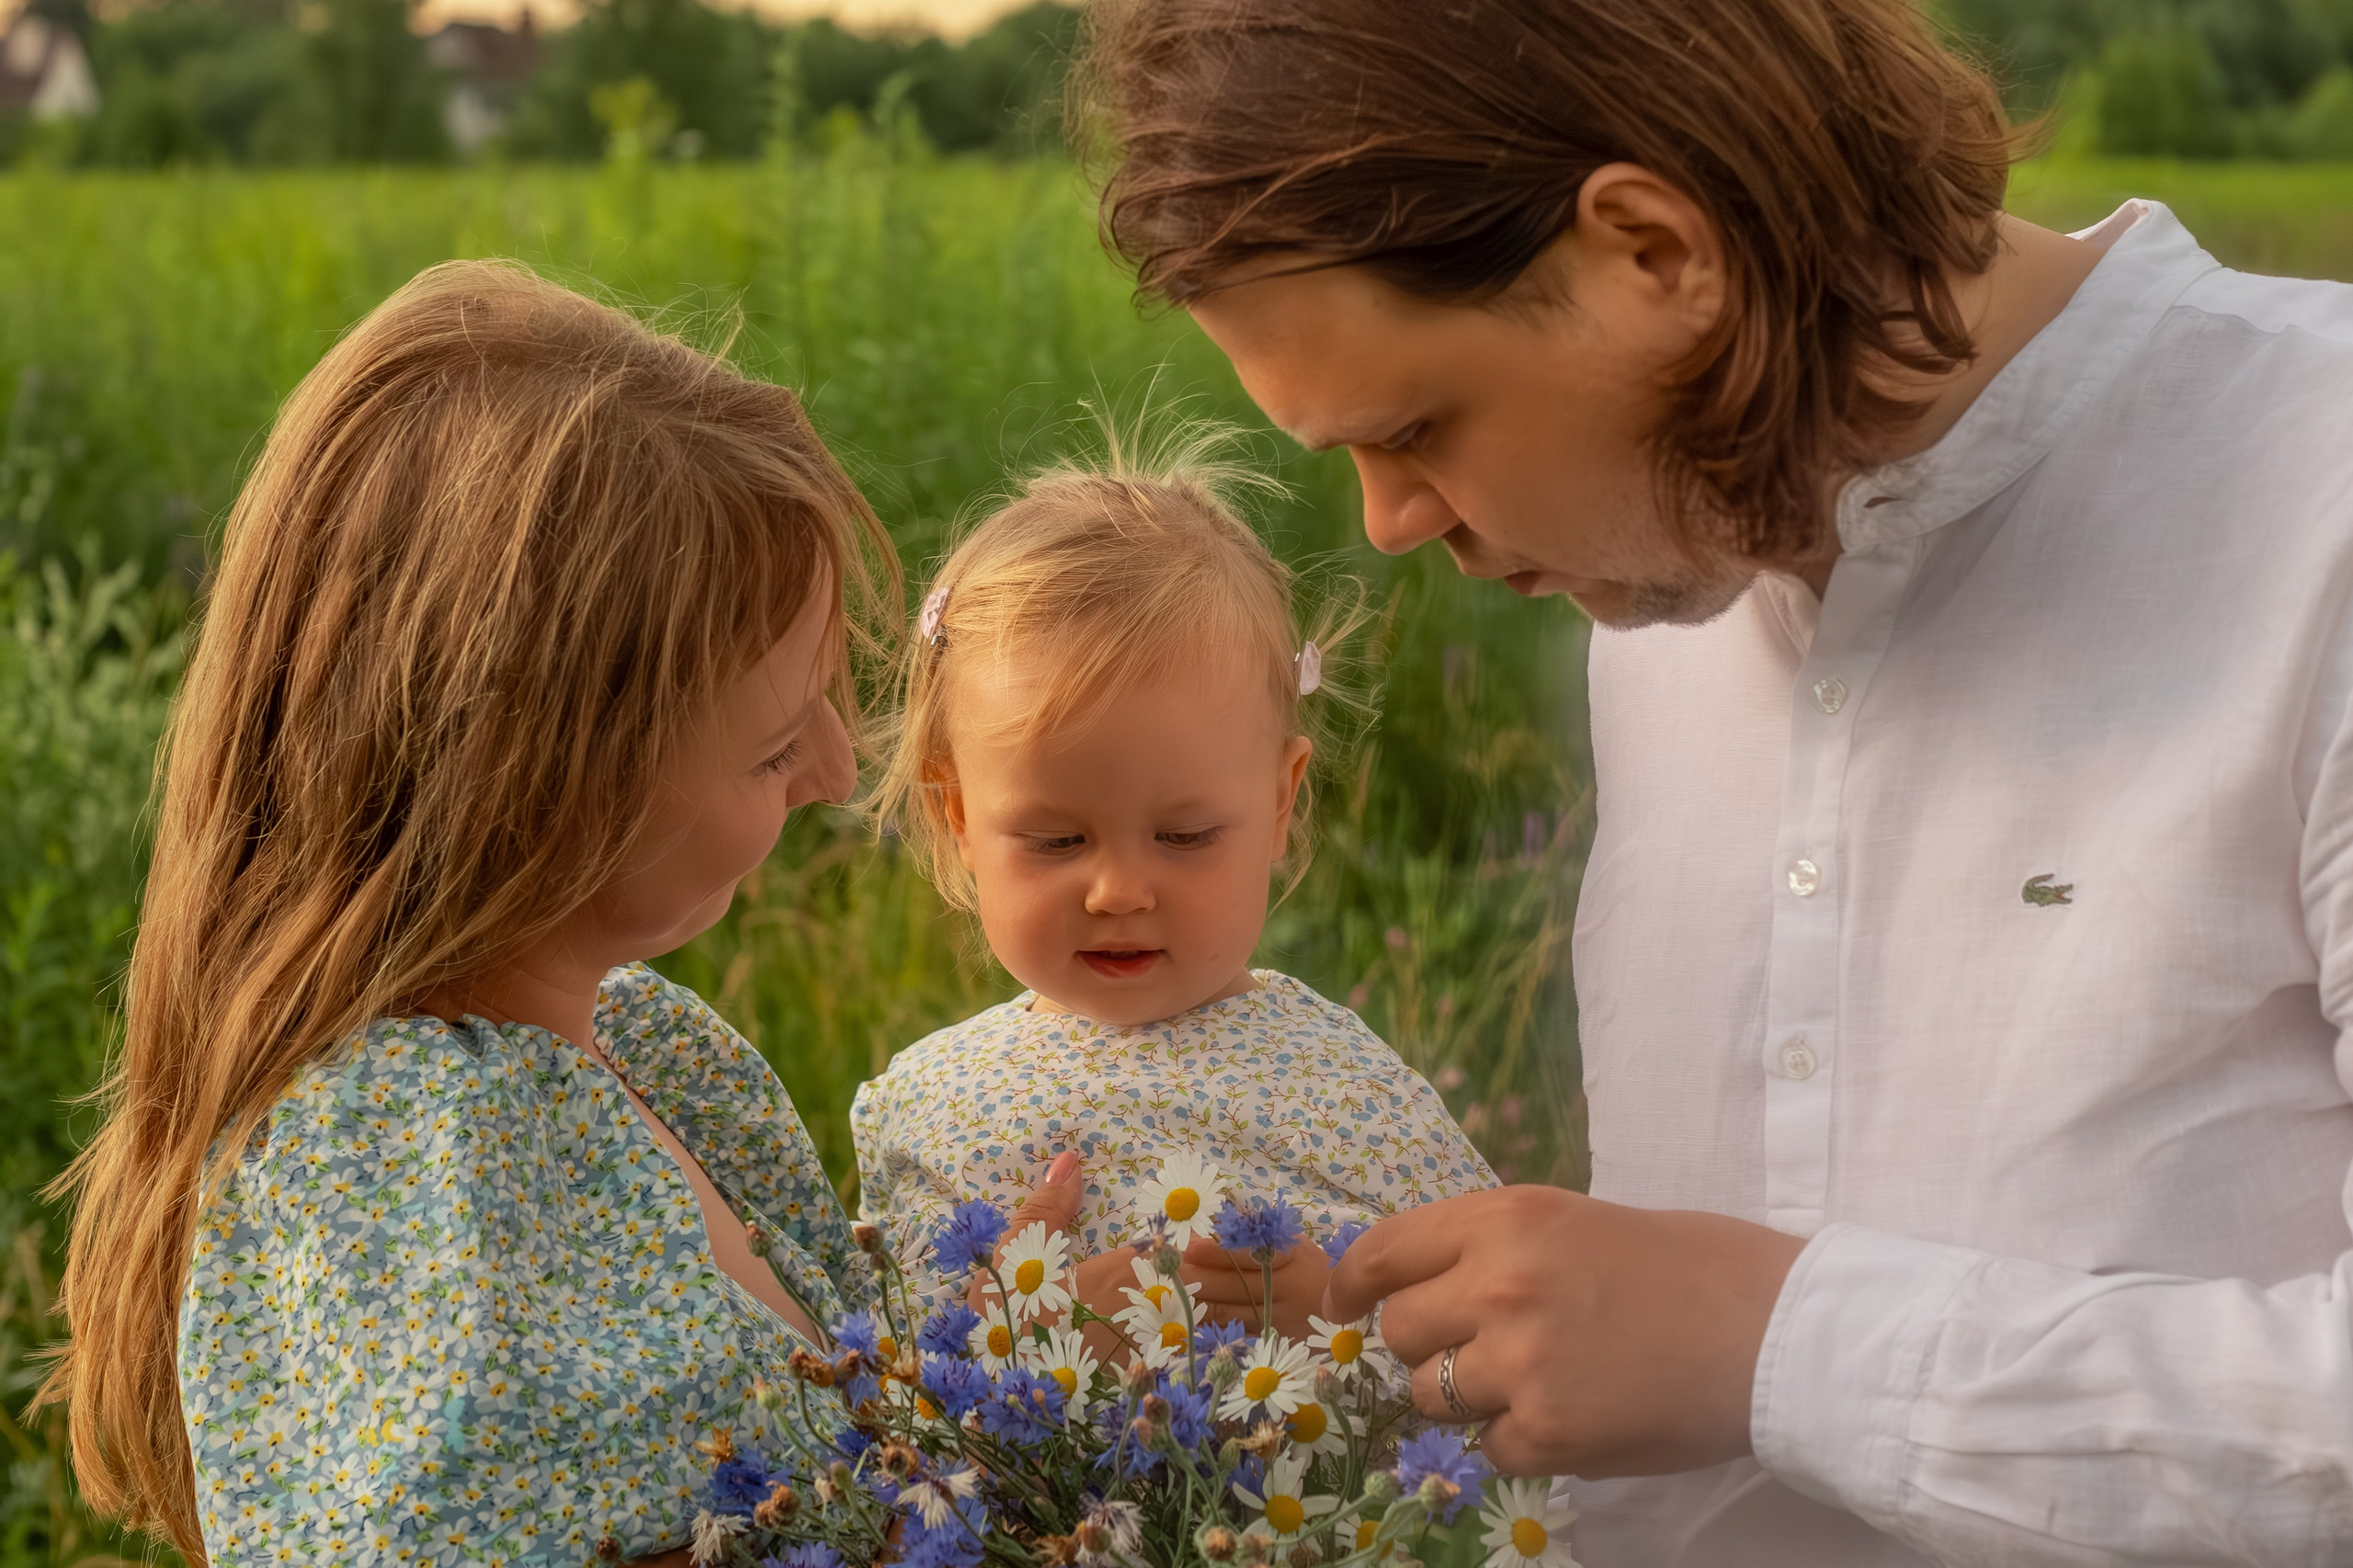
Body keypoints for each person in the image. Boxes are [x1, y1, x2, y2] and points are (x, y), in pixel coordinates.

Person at [1075, 0, 2353, 1562]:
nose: (1393, 521)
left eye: (1416, 426)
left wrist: (1778, 1350)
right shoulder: (1675, 564)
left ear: (1655, 255)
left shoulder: (2320, 507)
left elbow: (1735, 1348)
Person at [45, 260, 896, 1566]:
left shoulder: (648, 1044)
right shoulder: (397, 1158)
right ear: (547, 780)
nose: (837, 772)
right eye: (774, 746)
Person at [854, 443, 1495, 1354]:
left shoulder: (1345, 1086)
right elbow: (876, 1403)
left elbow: (1502, 1324)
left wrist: (1347, 1314)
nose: (1118, 889)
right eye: (1056, 839)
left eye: (1185, 836)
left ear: (1279, 801)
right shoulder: (929, 1105)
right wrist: (1012, 1338)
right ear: (958, 812)